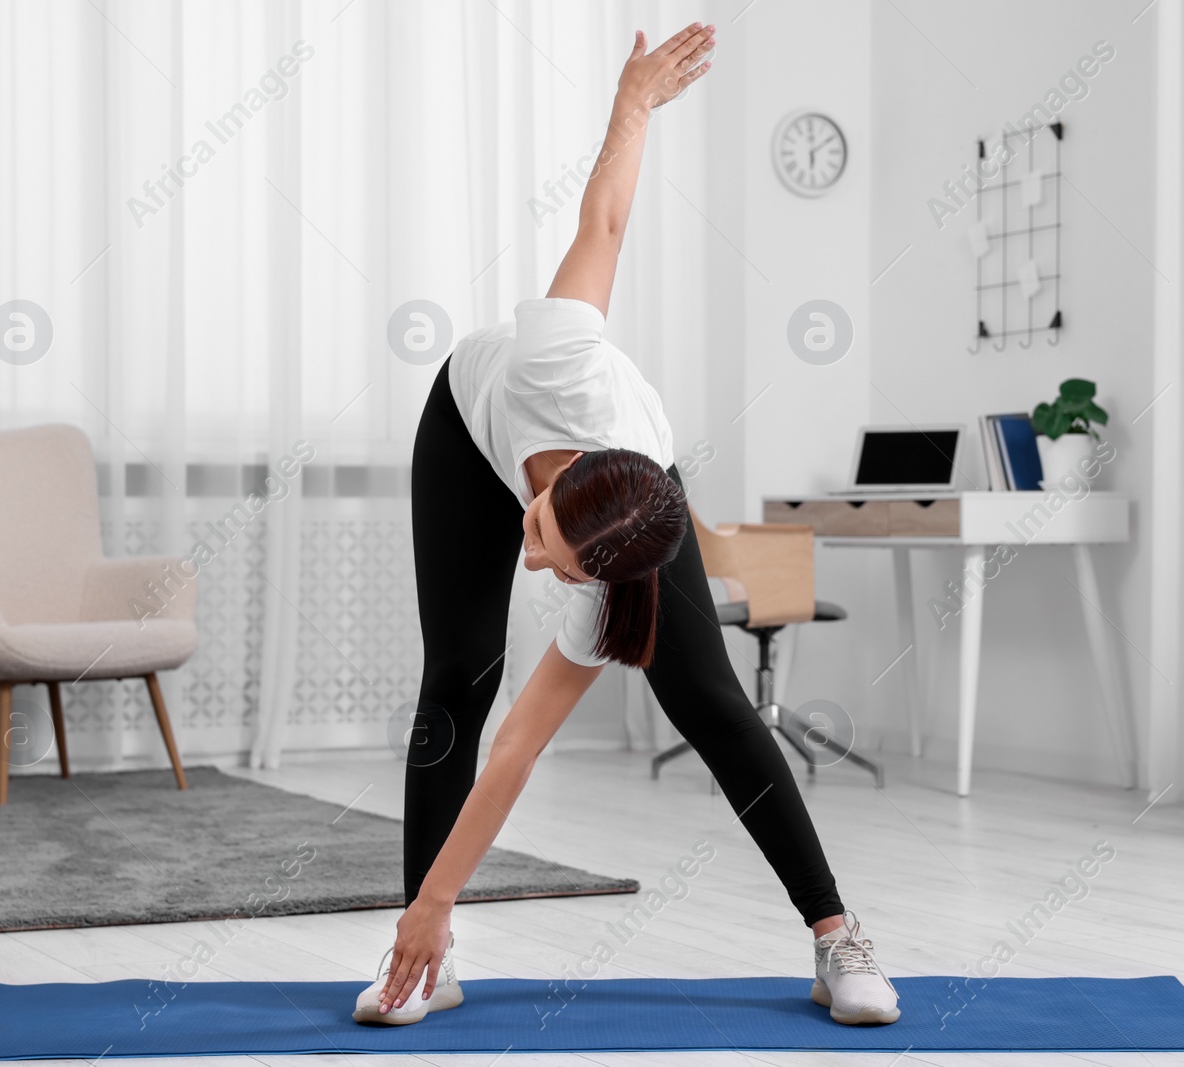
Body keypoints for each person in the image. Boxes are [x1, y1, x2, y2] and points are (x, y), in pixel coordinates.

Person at [353, 22, 899, 1028]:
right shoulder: (553, 356)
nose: (530, 555)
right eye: (543, 536)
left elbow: (521, 748)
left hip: (620, 484)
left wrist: (441, 891)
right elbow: (604, 223)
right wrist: (636, 101)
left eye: (552, 565)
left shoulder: (619, 567)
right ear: (559, 494)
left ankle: (836, 934)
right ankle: (425, 955)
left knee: (708, 696)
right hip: (467, 420)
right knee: (460, 669)